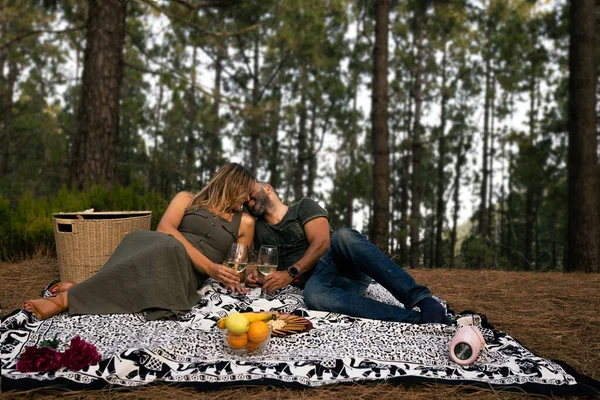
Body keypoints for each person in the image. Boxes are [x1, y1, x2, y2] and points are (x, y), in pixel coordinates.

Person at [24, 163, 255, 321]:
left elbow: (239, 267)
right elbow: (165, 228)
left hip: (182, 273)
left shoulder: (245, 223)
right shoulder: (186, 199)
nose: (249, 199)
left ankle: (66, 298)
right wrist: (211, 267)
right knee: (150, 241)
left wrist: (236, 277)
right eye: (247, 192)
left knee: (168, 249)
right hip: (160, 249)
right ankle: (70, 296)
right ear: (233, 185)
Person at [245, 182, 451, 325]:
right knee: (313, 295)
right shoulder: (259, 229)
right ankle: (416, 319)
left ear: (268, 188)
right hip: (324, 285)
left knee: (343, 236)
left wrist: (291, 272)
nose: (248, 200)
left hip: (340, 262)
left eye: (251, 194)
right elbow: (268, 266)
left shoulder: (303, 207)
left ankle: (422, 299)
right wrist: (259, 278)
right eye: (245, 201)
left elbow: (323, 243)